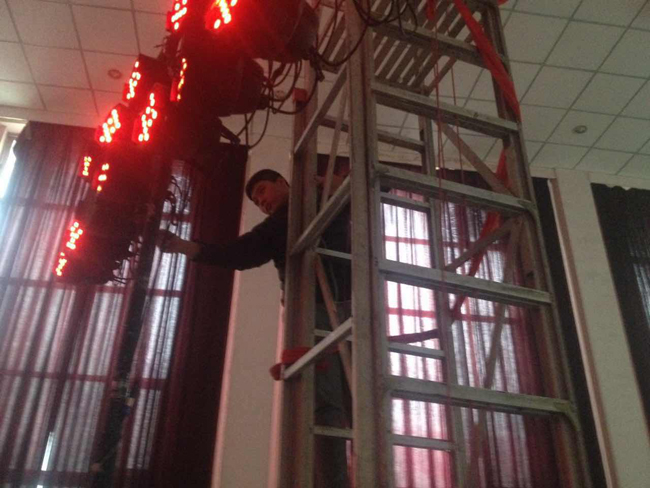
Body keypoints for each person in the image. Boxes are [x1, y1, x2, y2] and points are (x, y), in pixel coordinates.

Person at [157, 168, 350, 487]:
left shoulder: (324, 198)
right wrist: (183, 246)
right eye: (257, 201)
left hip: (346, 309)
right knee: (328, 406)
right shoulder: (279, 225)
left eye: (262, 191)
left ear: (282, 182)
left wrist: (340, 184)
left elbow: (369, 191)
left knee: (349, 404)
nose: (262, 202)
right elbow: (238, 254)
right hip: (318, 312)